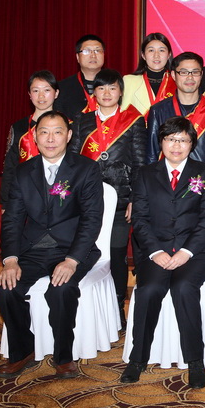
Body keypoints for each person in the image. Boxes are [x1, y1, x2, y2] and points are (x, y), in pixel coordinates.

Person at [0, 111, 103, 379]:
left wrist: (72, 260)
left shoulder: (86, 169)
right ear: (35, 136)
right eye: (44, 132)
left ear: (68, 135)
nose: (51, 139)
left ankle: (63, 356)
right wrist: (10, 259)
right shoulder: (23, 172)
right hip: (32, 249)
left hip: (71, 249)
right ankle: (22, 350)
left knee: (61, 290)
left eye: (57, 132)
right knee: (6, 290)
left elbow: (91, 220)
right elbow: (12, 220)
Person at [121, 117, 205, 389]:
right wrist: (155, 251)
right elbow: (140, 219)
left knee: (183, 287)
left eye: (183, 140)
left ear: (192, 144)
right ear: (161, 142)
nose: (176, 145)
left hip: (194, 252)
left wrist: (187, 251)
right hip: (156, 252)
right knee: (149, 289)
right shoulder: (145, 174)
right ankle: (137, 358)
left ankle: (195, 361)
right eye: (171, 139)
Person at [70, 68, 147, 325]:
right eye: (101, 88)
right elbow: (73, 161)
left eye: (112, 88)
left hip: (121, 201)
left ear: (120, 92)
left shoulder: (134, 121)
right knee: (85, 250)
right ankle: (86, 308)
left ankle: (116, 308)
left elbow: (140, 162)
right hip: (86, 200)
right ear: (94, 93)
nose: (106, 93)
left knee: (116, 254)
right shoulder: (81, 121)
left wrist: (135, 198)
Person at [146, 52, 205, 194]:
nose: (190, 77)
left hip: (203, 186)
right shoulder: (158, 110)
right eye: (184, 72)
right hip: (166, 186)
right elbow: (152, 155)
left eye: (195, 72)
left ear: (201, 75)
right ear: (173, 75)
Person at [0, 70, 60, 212]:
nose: (41, 96)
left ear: (56, 93)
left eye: (47, 90)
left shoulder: (67, 125)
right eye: (35, 90)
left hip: (58, 195)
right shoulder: (19, 127)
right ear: (29, 94)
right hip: (24, 192)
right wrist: (5, 202)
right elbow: (10, 166)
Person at [121, 33, 175, 115]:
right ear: (143, 55)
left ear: (169, 55)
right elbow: (123, 113)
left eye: (161, 50)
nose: (156, 55)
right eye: (151, 50)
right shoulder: (129, 81)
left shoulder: (176, 81)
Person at [55, 35, 105, 120]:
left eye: (97, 50)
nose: (93, 55)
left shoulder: (115, 84)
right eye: (86, 51)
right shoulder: (62, 88)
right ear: (77, 57)